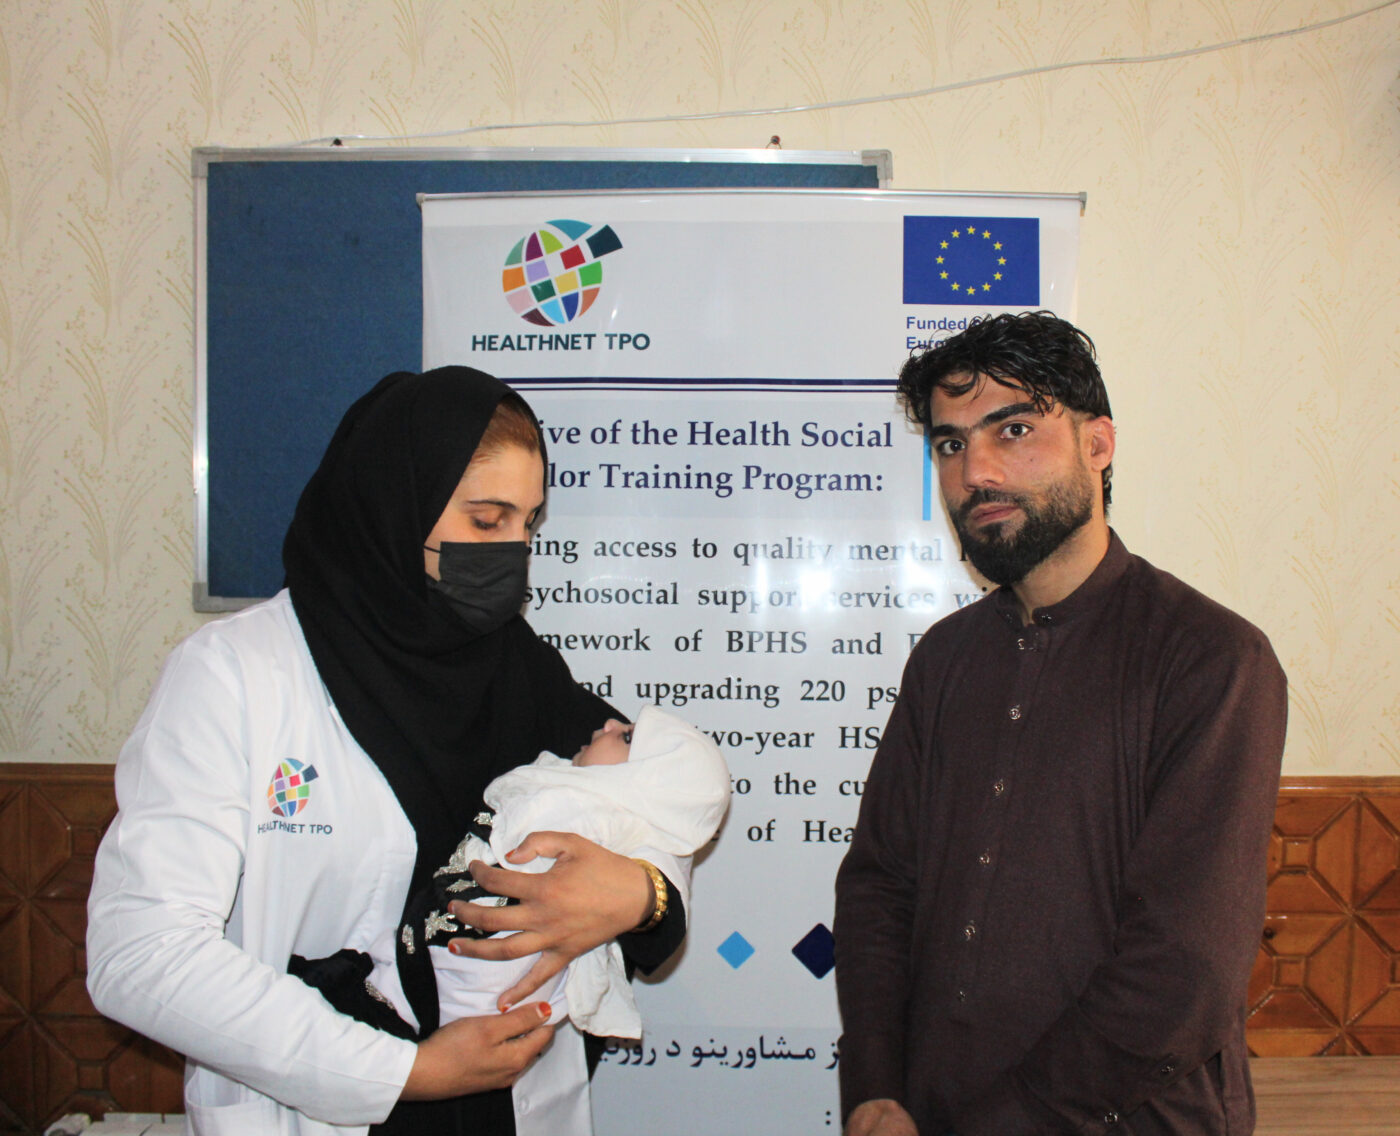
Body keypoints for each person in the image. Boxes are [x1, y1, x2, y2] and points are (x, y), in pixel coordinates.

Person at [87, 367, 687, 1136]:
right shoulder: (237, 677)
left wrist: (642, 895)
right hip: (331, 1104)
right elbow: (142, 954)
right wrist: (406, 1073)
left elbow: (649, 811)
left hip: (515, 1104)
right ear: (390, 509)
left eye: (527, 525)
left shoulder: (521, 670)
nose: (512, 553)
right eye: (486, 519)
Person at [833, 312, 1287, 1136]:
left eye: (1014, 429)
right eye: (949, 444)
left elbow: (1182, 975)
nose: (976, 470)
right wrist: (873, 1084)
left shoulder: (1213, 659)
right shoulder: (944, 660)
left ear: (1098, 444)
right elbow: (878, 887)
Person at [363, 706, 729, 1045]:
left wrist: (639, 894)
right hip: (409, 955)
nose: (609, 723)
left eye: (628, 736)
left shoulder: (610, 816)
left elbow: (667, 884)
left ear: (644, 782)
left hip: (486, 987)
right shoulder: (569, 776)